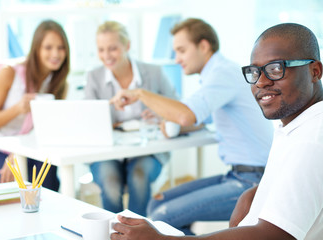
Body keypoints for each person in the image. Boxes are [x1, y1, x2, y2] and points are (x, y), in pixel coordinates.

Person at [110, 22, 323, 240]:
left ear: (315, 71)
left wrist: (139, 94)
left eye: (276, 68)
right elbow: (199, 119)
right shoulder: (295, 123)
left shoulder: (311, 140)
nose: (261, 81)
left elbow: (186, 115)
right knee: (158, 202)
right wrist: (257, 191)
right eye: (254, 72)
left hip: (246, 176)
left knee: (161, 215)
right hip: (245, 177)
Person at [84, 21, 178, 216]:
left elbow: (178, 109)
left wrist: (160, 113)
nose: (106, 56)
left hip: (147, 151)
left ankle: (137, 233)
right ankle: (115, 232)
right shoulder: (93, 77)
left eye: (113, 48)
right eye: (101, 50)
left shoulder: (154, 73)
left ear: (127, 46)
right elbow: (88, 121)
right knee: (110, 182)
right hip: (108, 153)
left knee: (139, 177)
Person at [0, 20, 70, 192]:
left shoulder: (58, 85)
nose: (55, 53)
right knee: (27, 181)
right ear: (36, 49)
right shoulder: (10, 73)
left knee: (49, 173)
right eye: (48, 47)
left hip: (22, 152)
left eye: (61, 48)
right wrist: (18, 109)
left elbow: (45, 131)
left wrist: (17, 154)